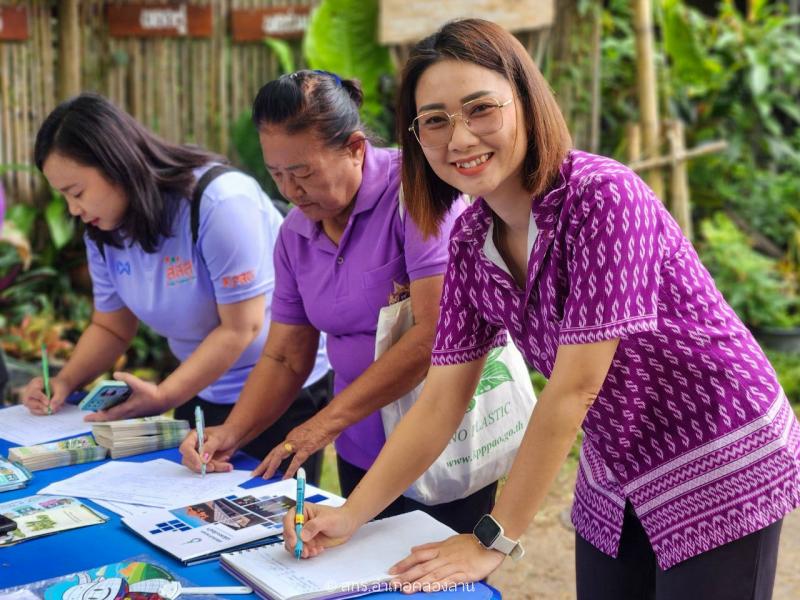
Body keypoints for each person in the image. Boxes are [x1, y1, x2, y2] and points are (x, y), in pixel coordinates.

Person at [280, 19, 800, 599]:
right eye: (434, 120)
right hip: (619, 457)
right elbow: (443, 398)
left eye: (480, 109)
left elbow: (574, 388)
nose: (459, 139)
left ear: (526, 102)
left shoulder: (603, 197)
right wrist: (351, 516)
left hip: (716, 440)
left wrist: (490, 539)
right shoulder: (470, 240)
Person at [180, 70, 495, 534]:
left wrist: (323, 423)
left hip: (443, 444)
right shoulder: (294, 234)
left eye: (303, 172)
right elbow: (287, 355)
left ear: (354, 148)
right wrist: (232, 432)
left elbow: (435, 334)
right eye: (276, 174)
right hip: (361, 443)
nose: (289, 190)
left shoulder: (418, 191)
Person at [24, 92, 331, 482]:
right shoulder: (102, 229)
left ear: (115, 165)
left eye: (77, 192)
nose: (72, 208)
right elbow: (111, 327)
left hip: (281, 391)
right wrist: (64, 382)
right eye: (63, 196)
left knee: (272, 519)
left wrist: (166, 395)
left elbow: (242, 326)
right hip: (200, 390)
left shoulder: (219, 201)